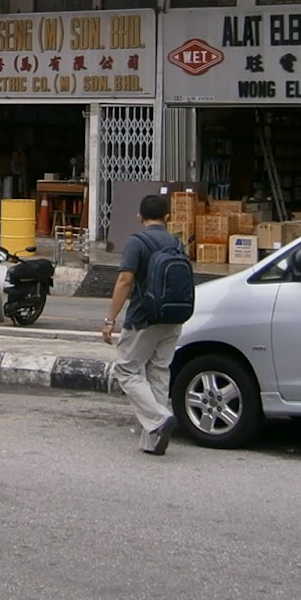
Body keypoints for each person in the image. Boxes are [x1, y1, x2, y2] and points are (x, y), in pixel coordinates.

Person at [100, 193, 183, 456]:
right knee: (159, 371)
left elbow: (125, 280)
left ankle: (159, 418)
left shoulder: (137, 242)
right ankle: (152, 440)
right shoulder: (177, 243)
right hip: (172, 318)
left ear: (140, 217)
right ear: (167, 217)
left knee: (127, 371)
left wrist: (109, 319)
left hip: (143, 318)